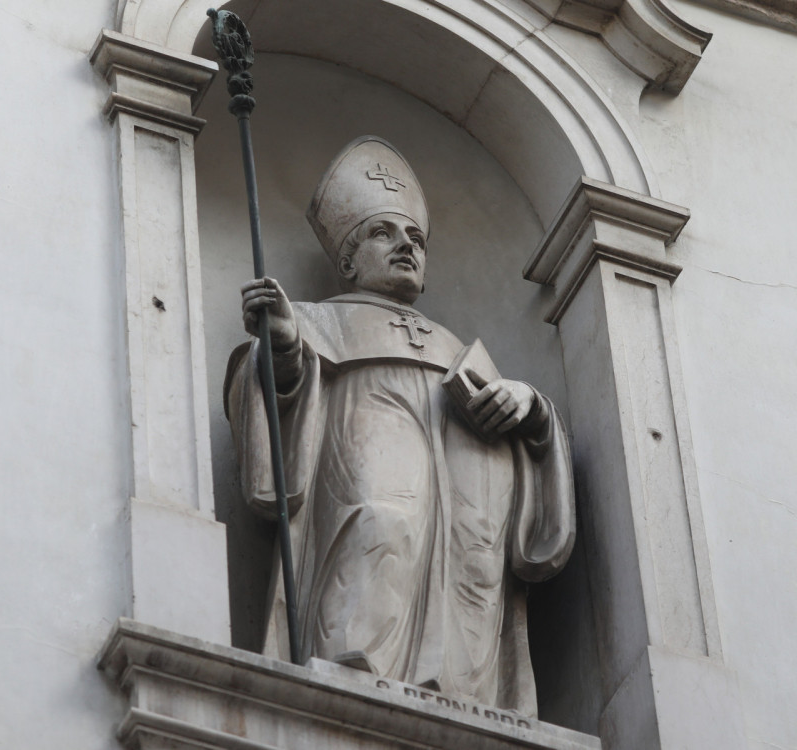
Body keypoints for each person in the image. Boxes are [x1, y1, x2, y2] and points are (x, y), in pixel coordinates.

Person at [224, 136, 574, 716]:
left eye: (416, 239)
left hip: (468, 474)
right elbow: (275, 397)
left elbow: (529, 434)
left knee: (475, 561)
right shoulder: (316, 322)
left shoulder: (454, 345)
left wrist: (530, 409)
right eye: (383, 233)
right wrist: (284, 348)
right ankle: (352, 666)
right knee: (380, 522)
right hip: (365, 431)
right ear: (347, 260)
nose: (406, 246)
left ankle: (467, 697)